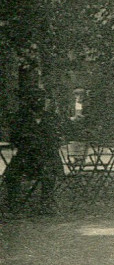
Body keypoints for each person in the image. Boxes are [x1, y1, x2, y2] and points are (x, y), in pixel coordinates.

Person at [5, 85, 63, 214]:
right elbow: (15, 139)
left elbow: (56, 139)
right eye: (34, 98)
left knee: (50, 170)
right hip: (26, 158)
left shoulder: (50, 117)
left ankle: (46, 203)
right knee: (11, 175)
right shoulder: (20, 117)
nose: (38, 101)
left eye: (41, 99)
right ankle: (13, 204)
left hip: (46, 158)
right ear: (27, 101)